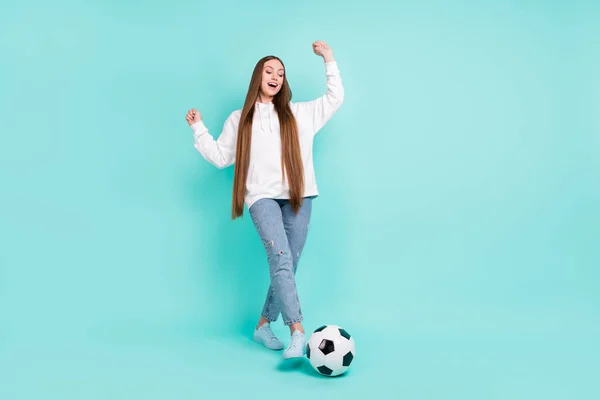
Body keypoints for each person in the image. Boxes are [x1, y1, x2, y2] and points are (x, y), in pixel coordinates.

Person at [185, 40, 344, 359]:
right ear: (258, 76)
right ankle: (297, 330)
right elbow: (220, 157)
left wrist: (328, 59)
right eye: (269, 71)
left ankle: (262, 325)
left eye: (281, 73)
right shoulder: (239, 118)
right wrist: (199, 128)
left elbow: (334, 98)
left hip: (301, 195)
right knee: (281, 258)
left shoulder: (301, 114)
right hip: (261, 198)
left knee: (289, 262)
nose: (275, 76)